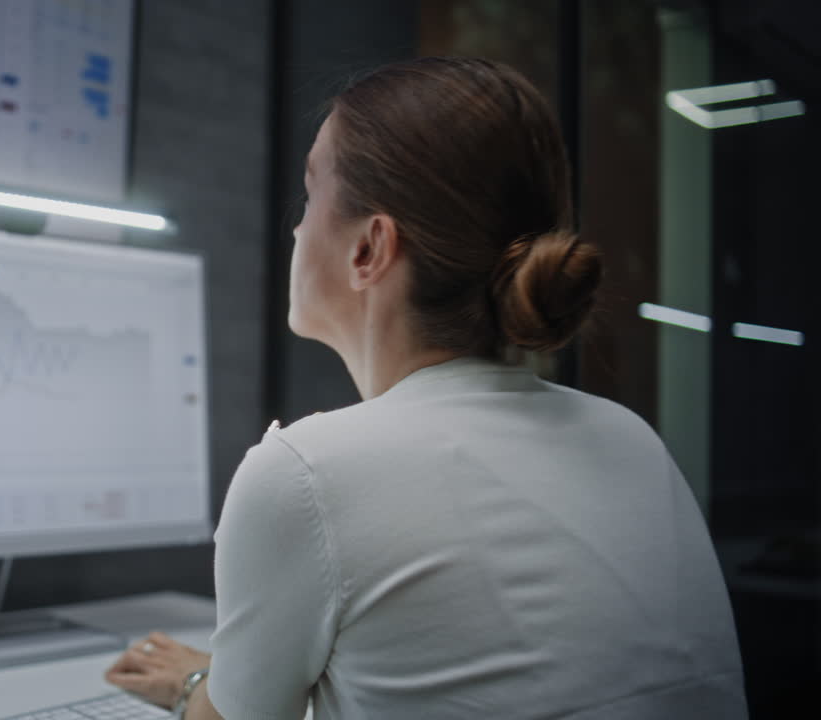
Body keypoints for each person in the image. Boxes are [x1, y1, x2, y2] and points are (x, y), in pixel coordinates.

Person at [105, 57, 746, 719]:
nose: (295, 229)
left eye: (309, 194)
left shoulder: (306, 475)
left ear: (368, 249)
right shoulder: (631, 439)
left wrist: (193, 689)